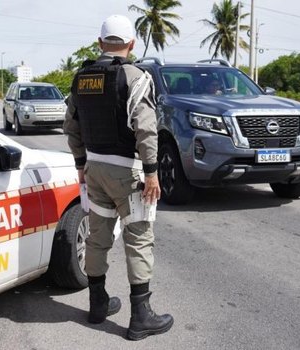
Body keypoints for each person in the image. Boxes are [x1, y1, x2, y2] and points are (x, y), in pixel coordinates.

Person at [63, 14, 174, 341]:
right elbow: (146, 128)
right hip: (129, 172)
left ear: (100, 44)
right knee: (138, 239)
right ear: (131, 44)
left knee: (97, 238)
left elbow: (71, 126)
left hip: (95, 170)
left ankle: (97, 304)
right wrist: (152, 172)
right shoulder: (136, 77)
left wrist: (81, 163)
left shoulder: (81, 78)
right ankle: (140, 317)